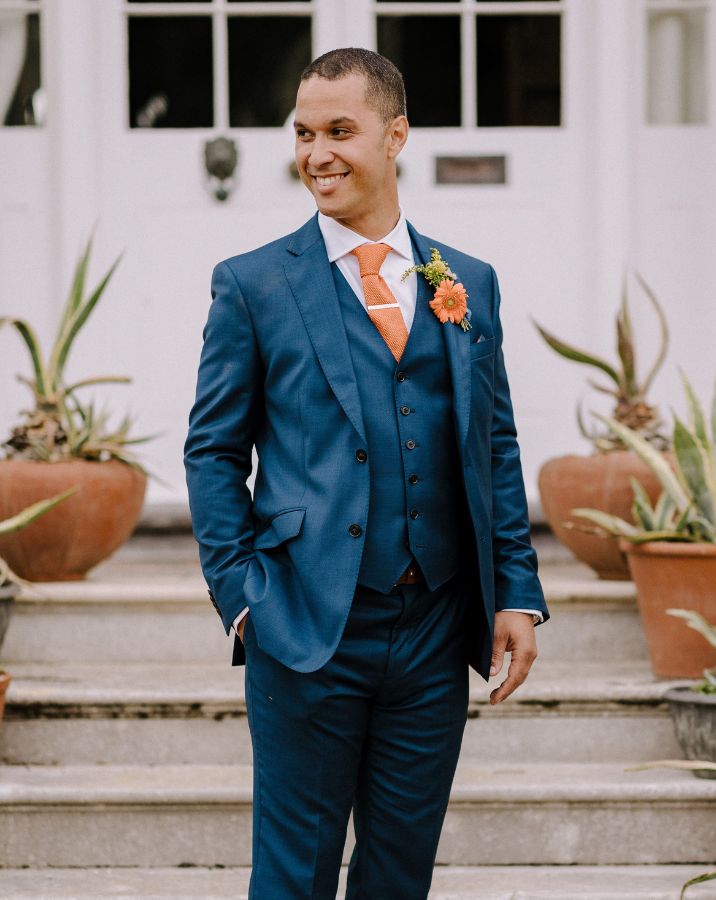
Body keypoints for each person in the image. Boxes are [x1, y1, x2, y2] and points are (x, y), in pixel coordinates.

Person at [183, 48, 548, 898]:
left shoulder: (468, 282)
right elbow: (212, 452)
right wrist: (243, 599)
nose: (318, 154)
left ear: (397, 134)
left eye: (339, 131)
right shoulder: (254, 285)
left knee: (398, 872)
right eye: (304, 134)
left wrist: (515, 593)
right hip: (304, 624)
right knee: (293, 873)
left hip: (433, 625)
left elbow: (492, 445)